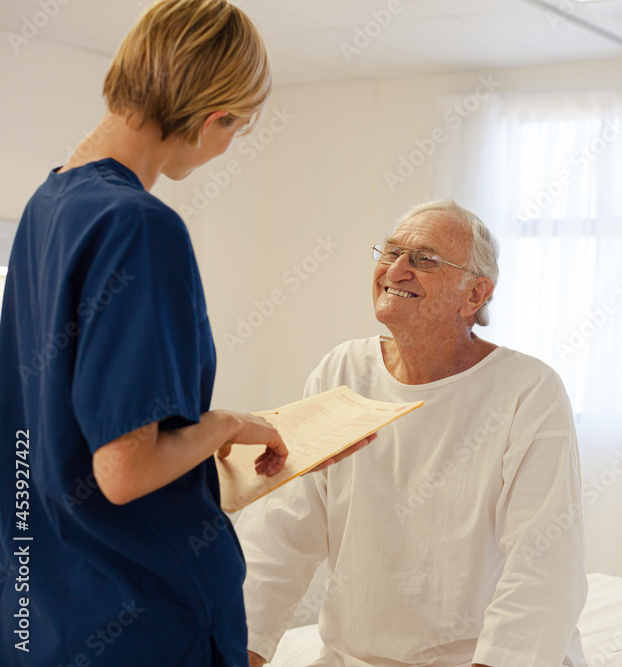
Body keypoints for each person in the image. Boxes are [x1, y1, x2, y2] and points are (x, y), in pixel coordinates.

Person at [0, 1, 370, 664]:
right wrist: (225, 423)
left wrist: (206, 441)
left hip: (47, 609)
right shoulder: (140, 227)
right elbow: (124, 469)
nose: (229, 145)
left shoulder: (46, 206)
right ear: (213, 116)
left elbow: (65, 437)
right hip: (145, 616)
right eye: (239, 128)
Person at [237, 199, 588, 667]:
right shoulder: (342, 371)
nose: (396, 270)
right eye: (390, 252)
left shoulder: (529, 391)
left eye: (425, 260)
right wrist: (238, 652)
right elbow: (278, 534)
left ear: (475, 295)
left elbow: (543, 564)